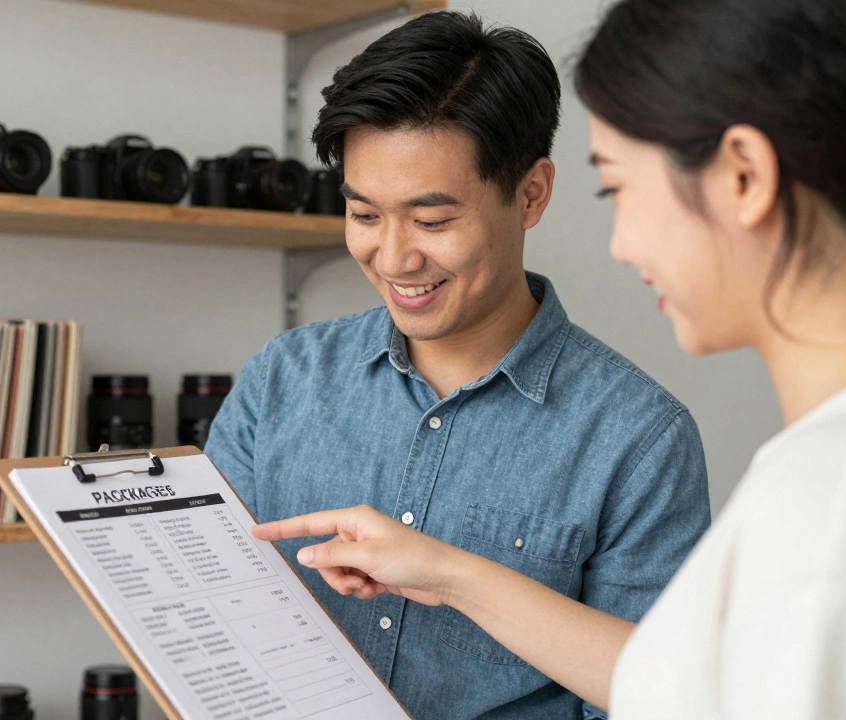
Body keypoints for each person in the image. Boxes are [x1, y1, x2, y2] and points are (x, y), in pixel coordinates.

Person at [253, 0, 846, 717]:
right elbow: (684, 691)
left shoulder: (838, 507)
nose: (621, 244)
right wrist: (449, 575)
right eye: (365, 213)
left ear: (745, 177)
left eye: (619, 188)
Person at [205, 10, 712, 720]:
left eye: (433, 221)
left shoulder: (640, 438)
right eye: (364, 215)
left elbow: (664, 698)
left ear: (531, 193)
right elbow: (209, 628)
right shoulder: (281, 381)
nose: (394, 257)